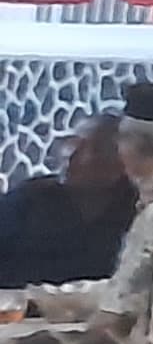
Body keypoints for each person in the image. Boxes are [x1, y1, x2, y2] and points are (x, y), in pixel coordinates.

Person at [0, 117, 136, 289]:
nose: (72, 156)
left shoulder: (135, 210)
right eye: (72, 145)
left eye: (96, 149)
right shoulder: (31, 199)